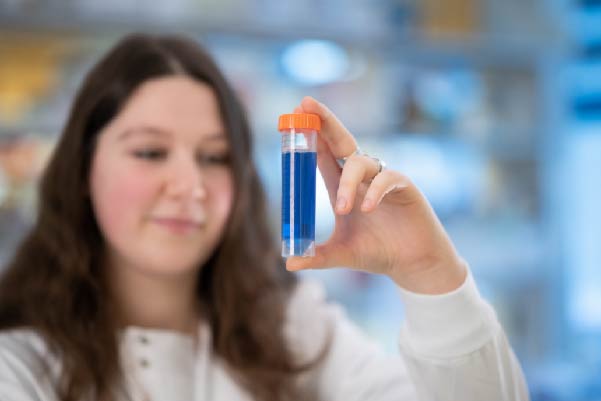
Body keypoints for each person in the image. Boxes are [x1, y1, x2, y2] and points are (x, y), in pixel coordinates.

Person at [0, 33, 529, 401]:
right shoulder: (18, 367)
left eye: (215, 157)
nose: (189, 186)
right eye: (149, 152)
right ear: (82, 170)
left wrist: (430, 275)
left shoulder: (295, 332)